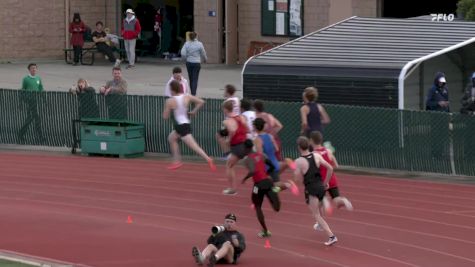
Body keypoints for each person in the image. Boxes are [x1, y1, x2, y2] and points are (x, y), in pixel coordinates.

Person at [242, 139, 295, 237]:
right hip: (268, 182)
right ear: (252, 146)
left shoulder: (247, 159)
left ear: (245, 148)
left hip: (257, 186)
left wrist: (244, 179)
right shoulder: (262, 155)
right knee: (277, 208)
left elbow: (253, 171)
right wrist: (267, 173)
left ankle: (265, 231)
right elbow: (272, 166)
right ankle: (281, 187)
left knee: (258, 207)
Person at [293, 136, 338, 246]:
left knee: (316, 214)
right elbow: (330, 168)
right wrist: (326, 182)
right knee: (318, 205)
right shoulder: (316, 155)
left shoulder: (299, 161)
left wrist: (297, 175)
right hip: (321, 186)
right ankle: (320, 224)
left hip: (311, 189)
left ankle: (331, 236)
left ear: (299, 147)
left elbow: (297, 179)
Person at [163, 80, 216, 171]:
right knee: (171, 138)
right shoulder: (187, 96)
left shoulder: (170, 101)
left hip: (181, 127)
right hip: (184, 124)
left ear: (172, 90)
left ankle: (208, 159)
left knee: (194, 146)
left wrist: (168, 110)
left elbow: (165, 117)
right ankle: (176, 161)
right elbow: (201, 102)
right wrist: (194, 111)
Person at [309, 131, 353, 220]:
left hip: (321, 181)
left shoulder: (313, 154)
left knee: (318, 203)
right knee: (336, 199)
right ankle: (343, 200)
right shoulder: (328, 151)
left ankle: (320, 222)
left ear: (311, 141)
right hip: (331, 179)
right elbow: (336, 165)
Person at [253, 118, 298, 193]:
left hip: (268, 166)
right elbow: (276, 149)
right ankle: (288, 163)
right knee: (272, 189)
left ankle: (288, 184)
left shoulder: (258, 139)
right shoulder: (270, 136)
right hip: (275, 162)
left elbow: (260, 155)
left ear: (255, 127)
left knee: (272, 184)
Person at [217, 101, 250, 195]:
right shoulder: (241, 117)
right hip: (246, 144)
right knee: (253, 166)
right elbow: (247, 129)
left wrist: (228, 139)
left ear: (226, 109)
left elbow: (232, 130)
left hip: (237, 146)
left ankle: (232, 189)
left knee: (229, 166)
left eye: (223, 109)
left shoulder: (227, 121)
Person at [19, 63, 44, 143]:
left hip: (36, 101)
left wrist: (44, 99)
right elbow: (23, 90)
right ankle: (39, 136)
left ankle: (22, 133)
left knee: (33, 119)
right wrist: (22, 102)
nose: (34, 69)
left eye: (35, 68)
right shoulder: (26, 79)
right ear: (29, 70)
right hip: (30, 102)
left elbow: (41, 89)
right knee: (33, 119)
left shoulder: (38, 78)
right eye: (32, 68)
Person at [181, 31, 207, 95]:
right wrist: (205, 59)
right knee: (195, 78)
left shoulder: (186, 44)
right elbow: (203, 53)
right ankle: (193, 94)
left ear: (189, 37)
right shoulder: (200, 44)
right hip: (197, 63)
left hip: (189, 63)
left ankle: (192, 92)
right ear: (196, 36)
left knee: (191, 78)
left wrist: (185, 59)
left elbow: (183, 53)